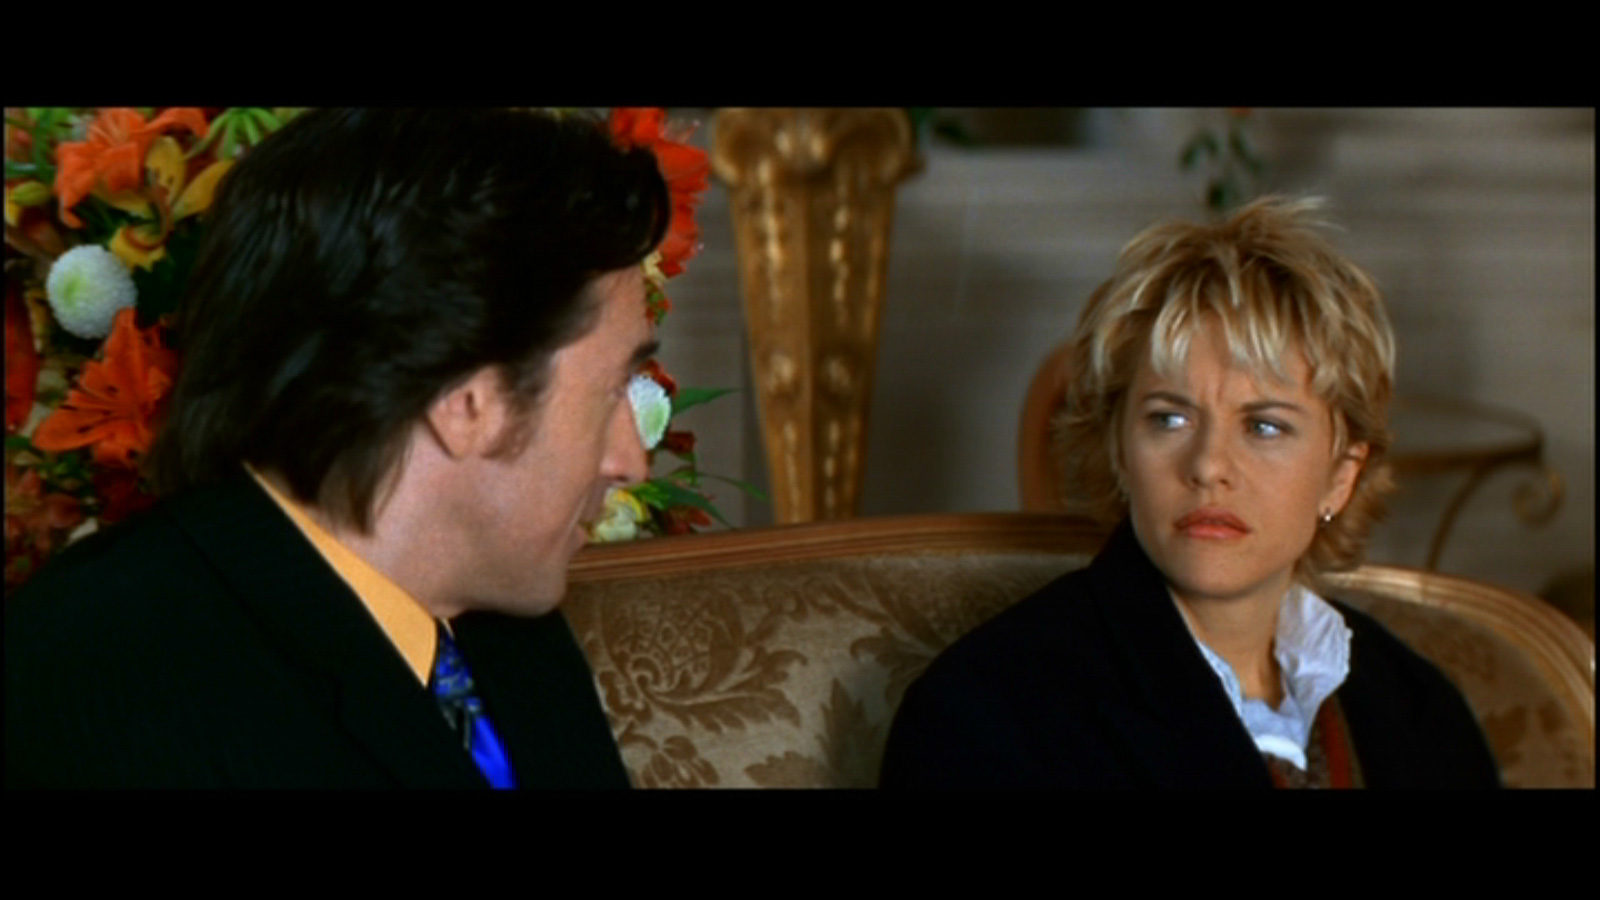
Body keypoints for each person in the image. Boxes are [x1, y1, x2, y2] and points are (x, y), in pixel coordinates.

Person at [4, 108, 669, 788]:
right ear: (465, 400)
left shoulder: (511, 635)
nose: (630, 461)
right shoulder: (101, 667)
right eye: (611, 389)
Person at [880, 196, 1499, 788]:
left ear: (1341, 475)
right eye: (1169, 419)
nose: (1208, 466)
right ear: (1120, 450)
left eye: (1264, 426)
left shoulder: (1417, 709)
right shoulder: (987, 712)